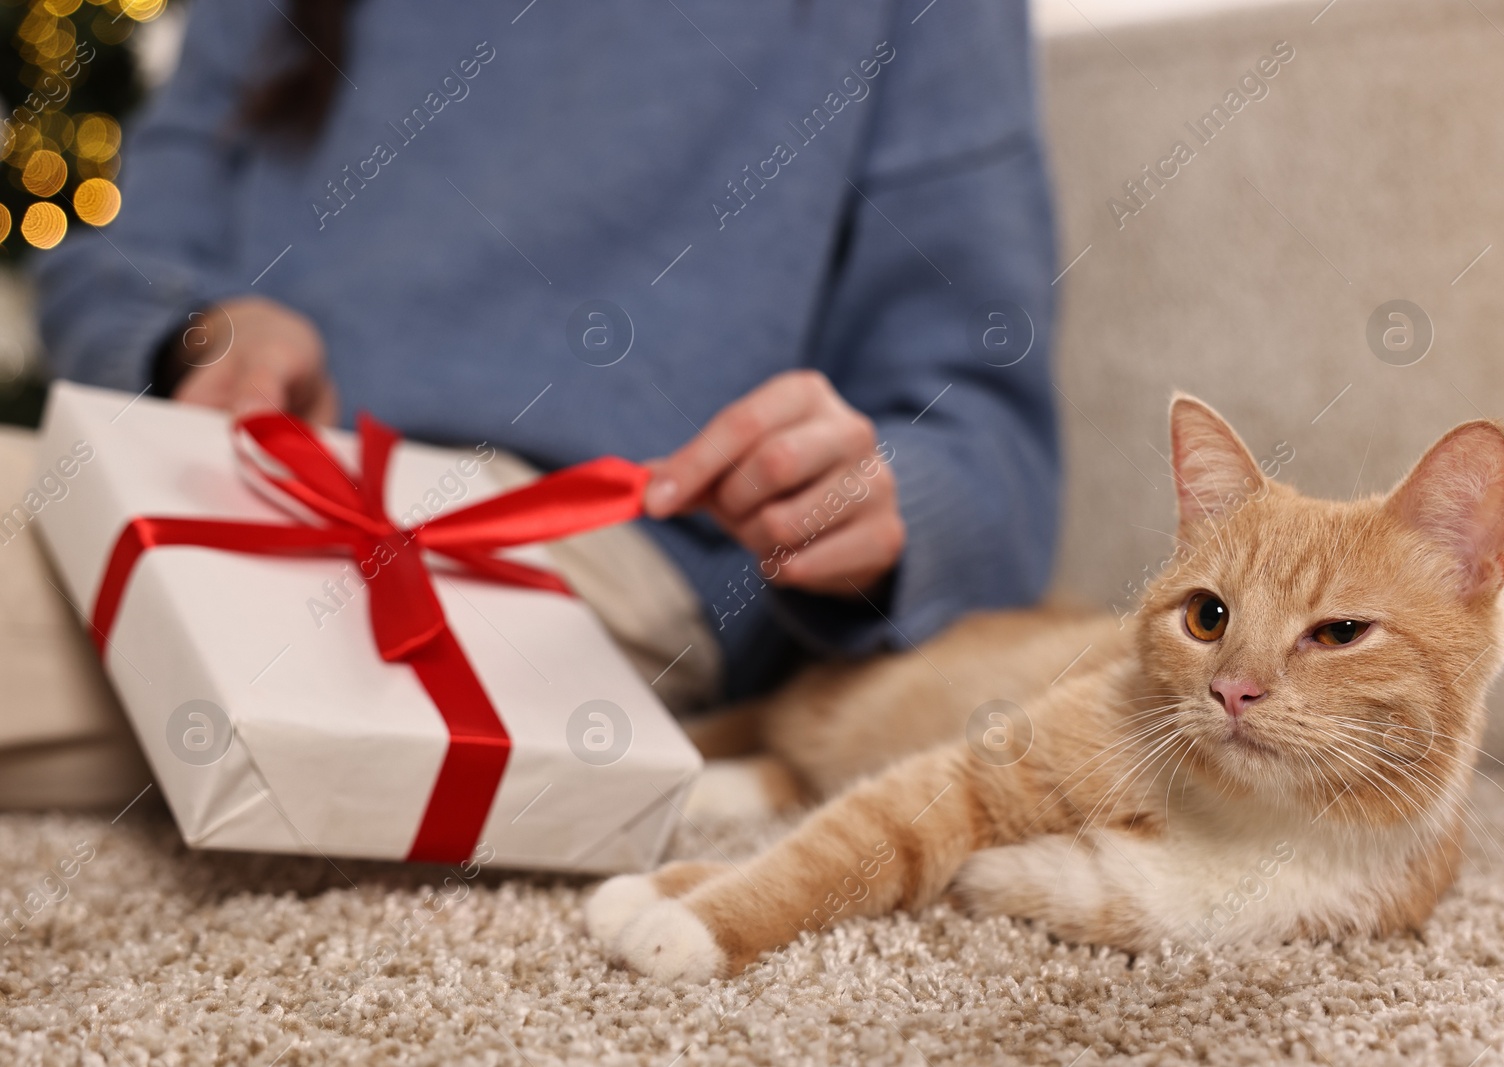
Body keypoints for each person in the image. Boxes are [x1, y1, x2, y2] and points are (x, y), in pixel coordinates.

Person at [32, 0, 1059, 715]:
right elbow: (120, 265)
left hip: (577, 548)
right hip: (224, 476)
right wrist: (206, 336)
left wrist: (875, 500)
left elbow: (988, 444)